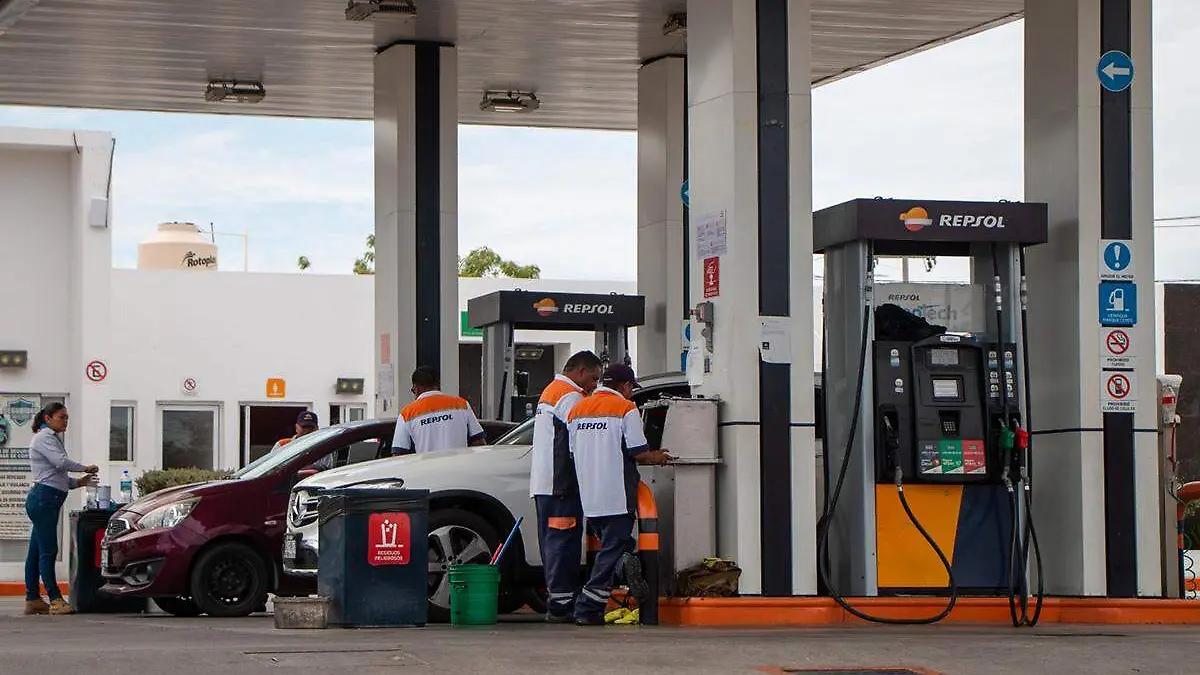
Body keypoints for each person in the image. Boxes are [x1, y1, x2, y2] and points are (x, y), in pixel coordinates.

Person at [567, 364, 671, 626]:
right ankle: (588, 606)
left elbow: (573, 451)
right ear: (625, 387)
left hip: (590, 495)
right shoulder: (626, 408)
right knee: (613, 549)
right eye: (630, 389)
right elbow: (638, 451)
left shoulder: (577, 409)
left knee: (614, 546)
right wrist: (658, 457)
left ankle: (623, 567)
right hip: (617, 493)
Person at [529, 350, 603, 622]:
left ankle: (559, 600)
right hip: (561, 485)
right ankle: (561, 605)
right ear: (580, 372)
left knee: (553, 543)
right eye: (593, 378)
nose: (594, 385)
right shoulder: (570, 396)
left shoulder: (552, 390)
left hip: (546, 484)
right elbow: (581, 437)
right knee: (563, 544)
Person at [25, 403, 98, 616]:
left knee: (36, 551)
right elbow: (60, 463)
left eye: (67, 417)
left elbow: (59, 477)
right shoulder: (45, 438)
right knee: (48, 551)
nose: (65, 421)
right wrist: (85, 467)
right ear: (47, 418)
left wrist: (80, 482)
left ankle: (33, 598)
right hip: (44, 500)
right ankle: (55, 598)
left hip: (48, 499)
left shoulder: (52, 438)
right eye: (61, 417)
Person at [392, 366, 487, 455]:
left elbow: (399, 454)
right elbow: (479, 442)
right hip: (459, 470)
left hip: (426, 471)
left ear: (415, 388)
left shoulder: (407, 413)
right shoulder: (462, 405)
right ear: (438, 383)